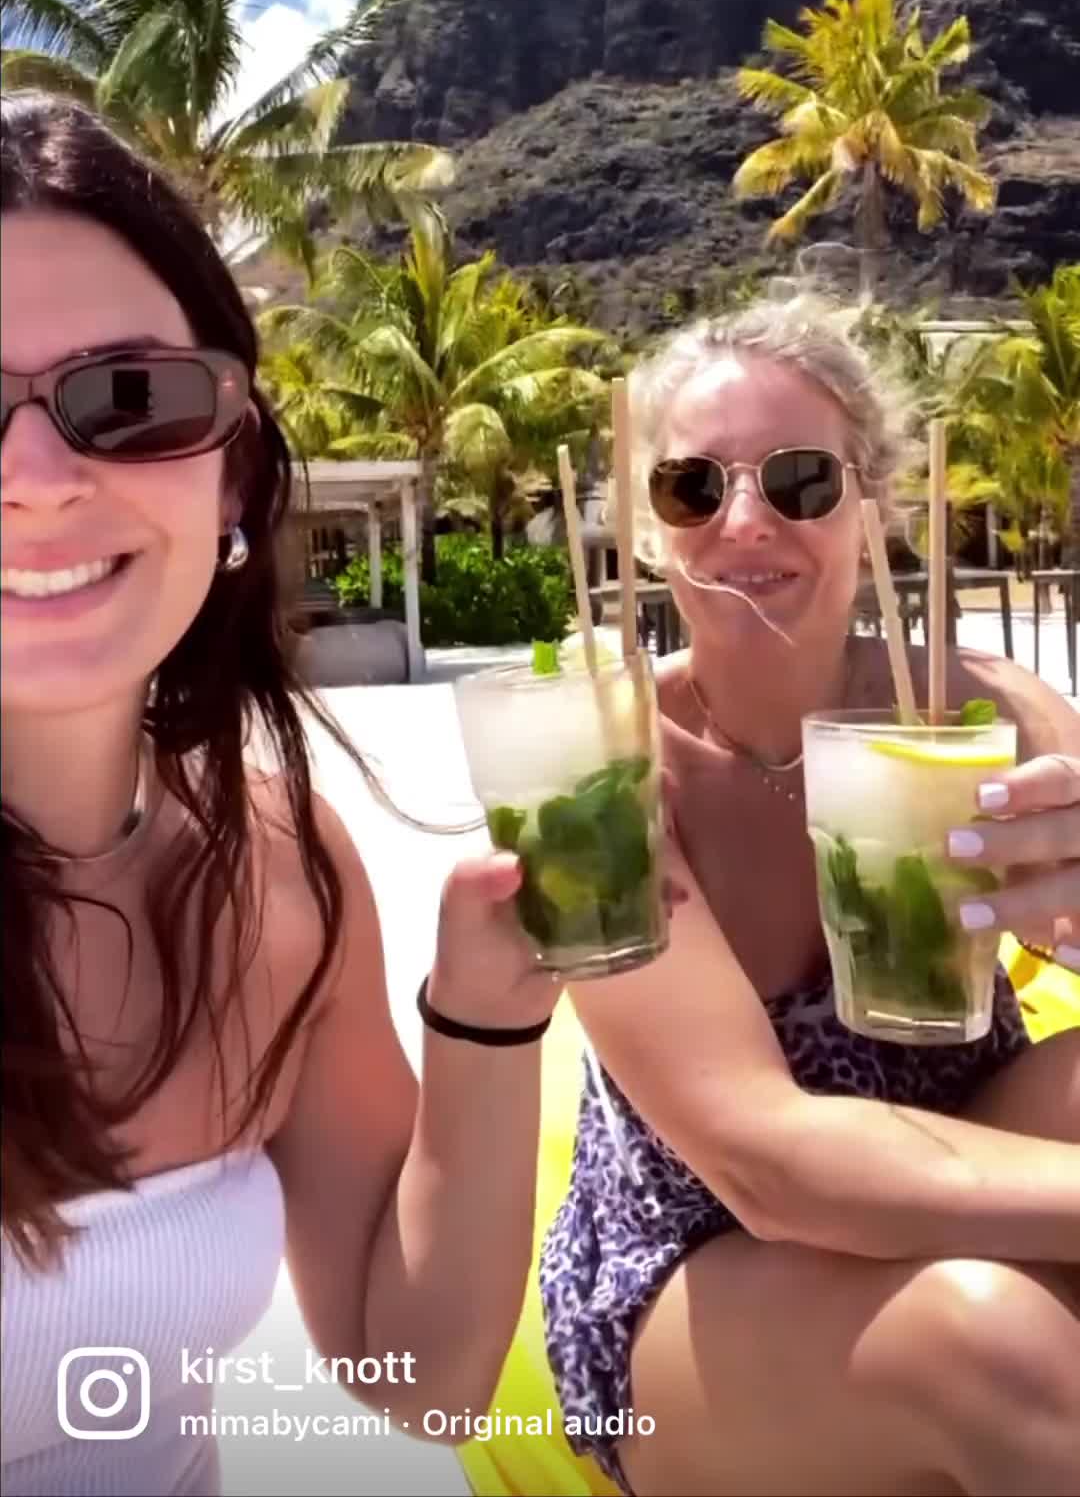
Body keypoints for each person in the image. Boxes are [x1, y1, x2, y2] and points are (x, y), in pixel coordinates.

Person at [0, 93, 563, 1497]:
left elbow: (416, 1373)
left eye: (130, 400)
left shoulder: (277, 863)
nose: (37, 482)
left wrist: (489, 1017)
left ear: (233, 473)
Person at [540, 292, 1080, 1497]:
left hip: (962, 1148)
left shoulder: (978, 711)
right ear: (649, 530)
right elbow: (765, 1165)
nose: (745, 520)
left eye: (800, 480)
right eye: (693, 487)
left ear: (873, 504)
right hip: (701, 1258)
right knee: (996, 1346)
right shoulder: (595, 764)